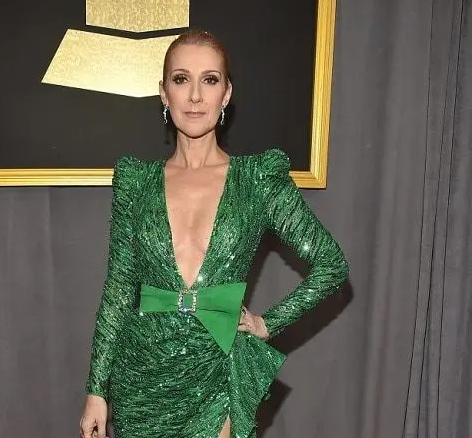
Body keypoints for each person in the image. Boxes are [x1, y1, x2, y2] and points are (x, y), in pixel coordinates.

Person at [79, 29, 349, 438]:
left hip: (217, 373)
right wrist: (97, 391)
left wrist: (269, 323)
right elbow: (118, 290)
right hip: (141, 380)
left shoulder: (257, 180)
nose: (194, 96)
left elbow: (331, 264)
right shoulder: (136, 183)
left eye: (209, 80)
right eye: (181, 79)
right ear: (164, 93)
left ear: (226, 94)